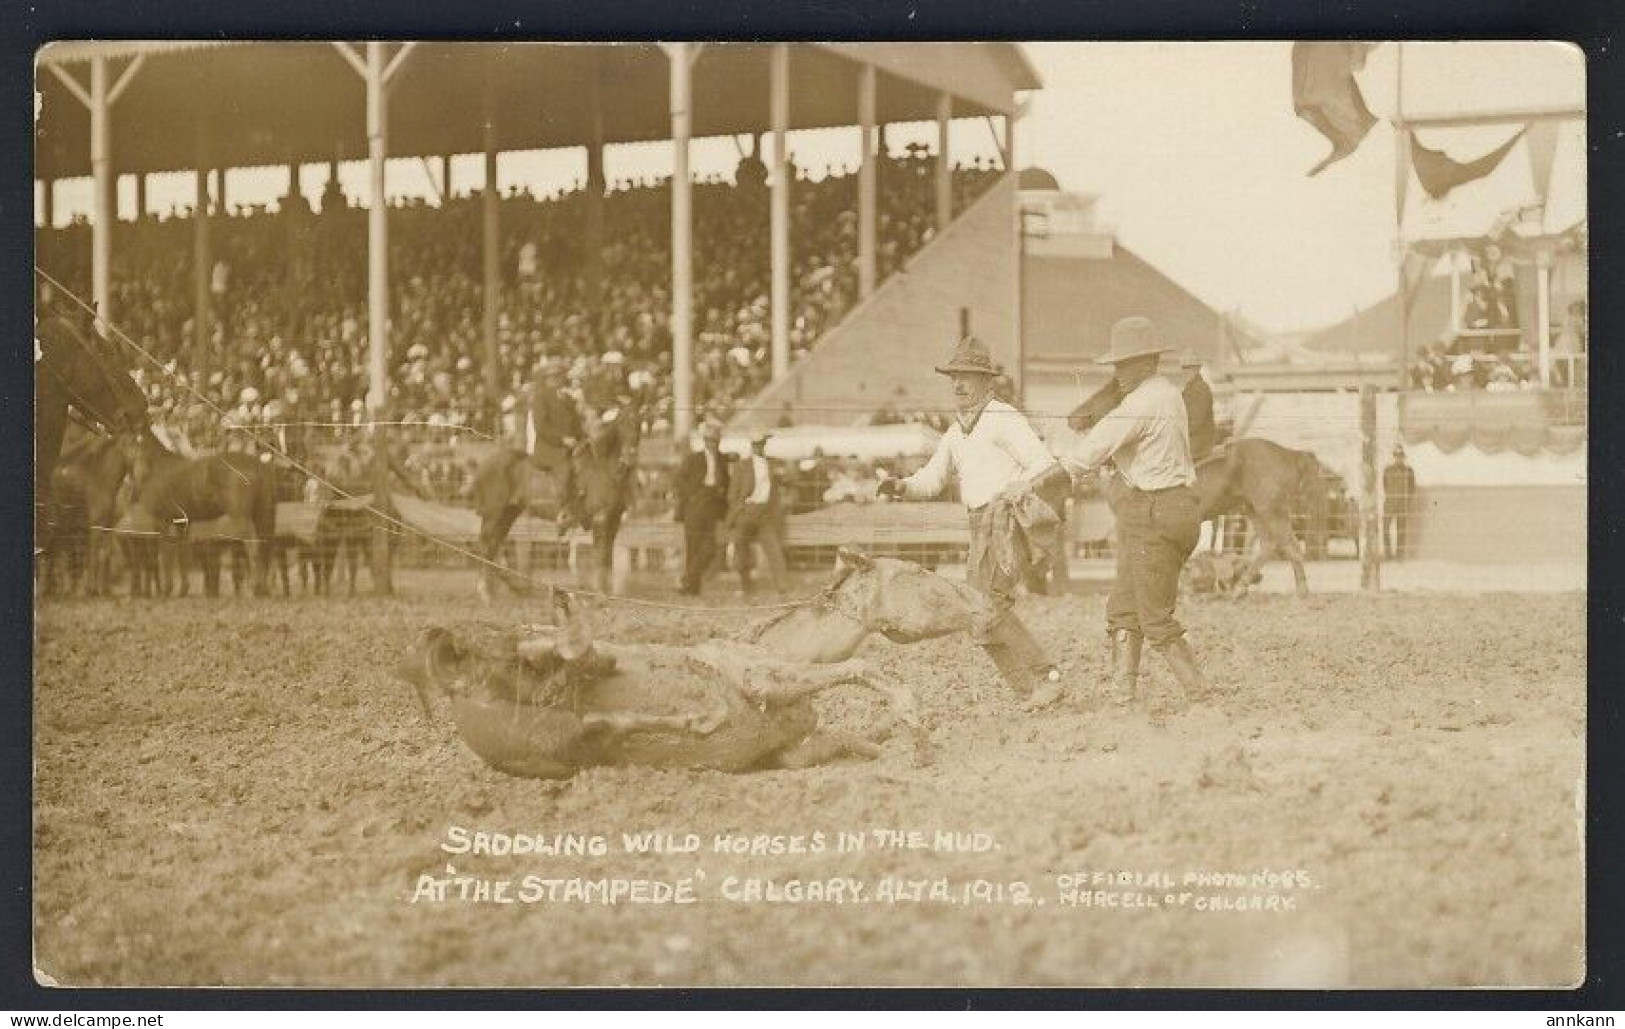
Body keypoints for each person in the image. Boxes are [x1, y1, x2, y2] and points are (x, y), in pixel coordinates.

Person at [877, 336, 1065, 708]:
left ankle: (1047, 677)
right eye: (954, 377)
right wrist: (900, 486)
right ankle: (1026, 691)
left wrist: (1018, 489)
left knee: (988, 607)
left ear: (987, 382)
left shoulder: (1003, 417)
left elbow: (1044, 463)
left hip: (1005, 522)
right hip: (978, 526)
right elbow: (931, 480)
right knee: (977, 618)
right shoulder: (956, 432)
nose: (959, 385)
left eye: (968, 377)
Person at [1054, 316, 1209, 706]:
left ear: (1146, 362)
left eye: (1124, 364)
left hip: (1152, 511)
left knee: (1154, 618)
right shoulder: (1168, 394)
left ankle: (1200, 695)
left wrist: (1037, 479)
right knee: (1124, 605)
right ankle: (1123, 695)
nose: (1118, 373)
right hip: (1173, 506)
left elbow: (1086, 455)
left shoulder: (1140, 403)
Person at [521, 364, 585, 533]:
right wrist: (563, 440)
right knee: (564, 469)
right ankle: (562, 512)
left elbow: (576, 423)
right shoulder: (540, 398)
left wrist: (582, 437)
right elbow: (541, 426)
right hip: (549, 449)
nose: (557, 380)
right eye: (553, 377)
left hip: (571, 446)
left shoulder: (567, 398)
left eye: (559, 377)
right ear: (546, 380)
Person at [673, 421, 731, 596]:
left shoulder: (722, 459)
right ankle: (692, 589)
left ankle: (686, 579)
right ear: (705, 441)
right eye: (710, 441)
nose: (713, 444)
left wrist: (723, 501)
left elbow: (727, 482)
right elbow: (678, 480)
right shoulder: (693, 458)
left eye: (716, 441)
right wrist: (692, 495)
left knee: (710, 547)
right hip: (695, 506)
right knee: (693, 547)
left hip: (713, 505)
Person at [726, 432, 789, 594]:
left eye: (762, 444)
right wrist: (740, 510)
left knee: (774, 549)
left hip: (764, 514)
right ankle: (747, 587)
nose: (759, 447)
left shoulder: (772, 465)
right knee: (741, 551)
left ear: (765, 445)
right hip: (746, 512)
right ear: (751, 446)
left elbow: (783, 484)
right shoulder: (742, 465)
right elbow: (732, 494)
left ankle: (783, 588)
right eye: (756, 444)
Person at [1381, 445, 1417, 561]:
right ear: (1394, 457)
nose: (1398, 458)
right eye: (1396, 456)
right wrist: (1391, 497)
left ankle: (1399, 556)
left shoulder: (1409, 471)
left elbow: (1412, 488)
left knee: (1401, 530)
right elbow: (1385, 486)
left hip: (1402, 504)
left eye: (1400, 456)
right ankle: (1388, 554)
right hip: (1390, 503)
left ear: (1403, 457)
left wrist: (1406, 501)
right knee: (1385, 528)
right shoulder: (1387, 470)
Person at [1179, 351, 1216, 462]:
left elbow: (1196, 423)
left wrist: (1176, 429)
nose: (1186, 371)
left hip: (1198, 446)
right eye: (1184, 368)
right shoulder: (1189, 388)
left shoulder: (1200, 389)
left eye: (1190, 368)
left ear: (1197, 369)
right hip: (1191, 440)